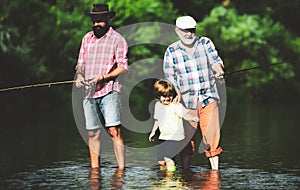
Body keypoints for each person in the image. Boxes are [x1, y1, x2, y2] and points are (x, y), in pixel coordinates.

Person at [163, 15, 225, 170]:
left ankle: (215, 172)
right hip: (185, 101)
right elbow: (169, 76)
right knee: (187, 140)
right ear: (177, 31)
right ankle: (186, 172)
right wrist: (176, 91)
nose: (189, 34)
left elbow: (216, 61)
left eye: (192, 30)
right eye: (185, 31)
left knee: (212, 136)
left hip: (208, 96)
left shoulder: (205, 43)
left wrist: (219, 71)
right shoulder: (171, 50)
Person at [75, 4, 128, 169]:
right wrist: (79, 76)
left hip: (109, 90)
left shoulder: (117, 39)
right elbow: (80, 64)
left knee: (114, 131)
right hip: (88, 93)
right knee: (92, 133)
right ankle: (95, 170)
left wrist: (103, 77)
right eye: (94, 20)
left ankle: (121, 170)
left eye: (100, 20)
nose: (96, 23)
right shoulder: (86, 38)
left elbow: (123, 67)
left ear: (108, 19)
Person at [149, 79, 199, 171]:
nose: (167, 98)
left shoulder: (176, 106)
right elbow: (157, 120)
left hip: (176, 138)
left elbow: (185, 115)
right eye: (164, 96)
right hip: (164, 137)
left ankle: (171, 178)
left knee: (168, 157)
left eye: (170, 96)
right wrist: (153, 132)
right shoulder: (158, 106)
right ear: (158, 96)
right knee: (161, 160)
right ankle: (163, 176)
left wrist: (193, 118)